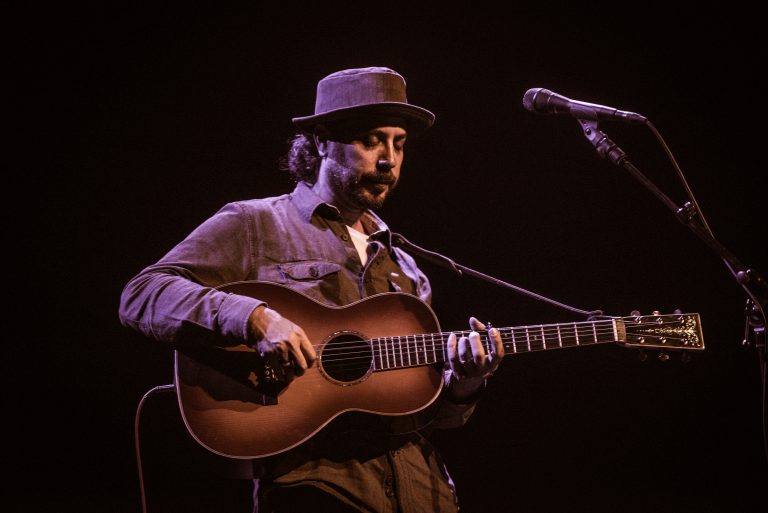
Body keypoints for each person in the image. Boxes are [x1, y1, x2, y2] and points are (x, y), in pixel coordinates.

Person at [119, 66, 504, 513]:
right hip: (316, 489)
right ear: (322, 141)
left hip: (423, 494)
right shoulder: (256, 223)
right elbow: (143, 293)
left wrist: (465, 383)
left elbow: (424, 414)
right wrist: (254, 318)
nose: (389, 160)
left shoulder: (408, 269)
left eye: (399, 144)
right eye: (372, 140)